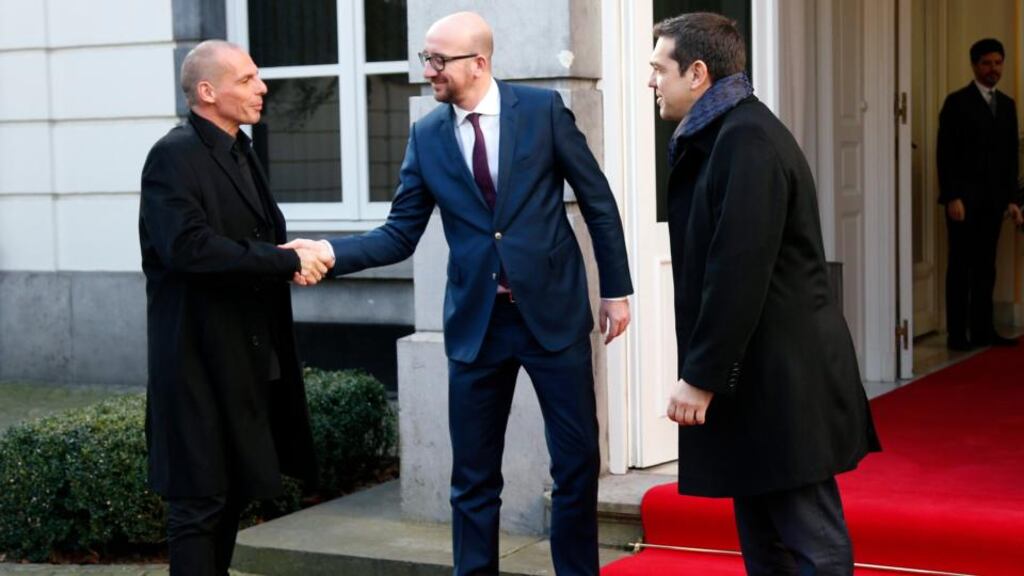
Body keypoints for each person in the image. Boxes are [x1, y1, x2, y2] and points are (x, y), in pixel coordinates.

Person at [286, 12, 632, 575]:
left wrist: (615, 290)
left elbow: (597, 201)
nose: (428, 71)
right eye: (426, 59)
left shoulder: (542, 113)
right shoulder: (426, 134)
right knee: (472, 478)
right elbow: (400, 233)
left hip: (552, 315)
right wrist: (329, 251)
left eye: (438, 60)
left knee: (575, 464)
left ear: (480, 62)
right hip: (478, 326)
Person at [648, 13, 880, 575]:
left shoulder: (746, 139)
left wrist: (700, 376)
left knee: (809, 542)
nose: (651, 81)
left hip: (783, 382)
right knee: (765, 541)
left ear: (697, 73)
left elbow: (738, 269)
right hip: (757, 378)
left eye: (659, 69)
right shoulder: (727, 134)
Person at [138, 40, 330, 576]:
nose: (262, 87)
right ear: (207, 91)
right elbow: (187, 248)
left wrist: (290, 259)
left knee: (231, 496)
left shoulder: (240, 148)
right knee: (197, 504)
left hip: (246, 359)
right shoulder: (173, 156)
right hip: (197, 363)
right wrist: (282, 260)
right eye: (246, 80)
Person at [937, 38, 1022, 350]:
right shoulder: (957, 103)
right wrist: (952, 196)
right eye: (987, 63)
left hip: (994, 201)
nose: (993, 69)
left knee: (986, 267)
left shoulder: (1008, 106)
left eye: (998, 63)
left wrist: (1013, 199)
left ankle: (984, 330)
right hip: (964, 201)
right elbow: (945, 154)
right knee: (961, 266)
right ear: (974, 65)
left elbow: (1012, 155)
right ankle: (957, 335)